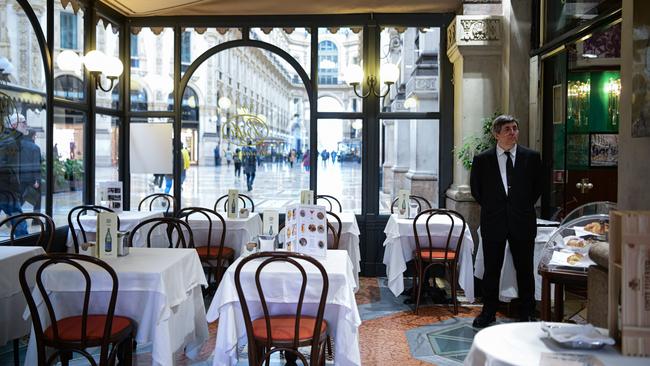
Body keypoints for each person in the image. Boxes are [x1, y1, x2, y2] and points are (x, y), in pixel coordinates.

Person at [470, 115, 542, 328]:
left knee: (525, 269)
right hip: (494, 221)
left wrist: (520, 206)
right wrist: (496, 207)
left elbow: (537, 187)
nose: (513, 133)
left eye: (515, 128)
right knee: (492, 269)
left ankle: (527, 312)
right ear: (496, 134)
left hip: (523, 221)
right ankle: (488, 313)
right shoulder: (483, 159)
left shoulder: (531, 157)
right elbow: (477, 190)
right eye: (508, 129)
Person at [0, 114, 29, 236]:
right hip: (7, 190)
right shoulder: (9, 141)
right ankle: (27, 251)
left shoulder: (12, 140)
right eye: (23, 122)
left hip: (6, 189)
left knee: (19, 222)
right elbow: (6, 167)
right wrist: (14, 187)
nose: (26, 125)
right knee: (19, 225)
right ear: (14, 125)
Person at [19, 129, 42, 212]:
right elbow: (36, 164)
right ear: (32, 136)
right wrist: (37, 180)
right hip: (31, 178)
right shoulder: (35, 147)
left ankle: (12, 215)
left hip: (19, 177)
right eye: (35, 136)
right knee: (37, 198)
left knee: (21, 197)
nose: (35, 137)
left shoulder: (18, 146)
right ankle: (36, 218)